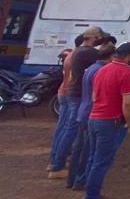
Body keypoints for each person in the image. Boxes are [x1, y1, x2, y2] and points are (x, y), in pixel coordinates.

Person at [79, 42, 130, 199]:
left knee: (94, 159)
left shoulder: (101, 70)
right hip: (111, 121)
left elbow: (94, 96)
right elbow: (128, 102)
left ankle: (93, 193)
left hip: (95, 118)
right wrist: (128, 121)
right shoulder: (127, 73)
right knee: (101, 162)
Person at [50, 26, 107, 179]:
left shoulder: (76, 52)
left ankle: (55, 160)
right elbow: (106, 58)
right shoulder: (89, 53)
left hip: (69, 92)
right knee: (71, 130)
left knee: (64, 128)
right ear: (94, 37)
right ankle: (57, 166)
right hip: (76, 93)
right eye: (99, 38)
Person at [68, 41, 116, 190]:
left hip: (84, 110)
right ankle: (81, 180)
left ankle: (72, 179)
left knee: (79, 147)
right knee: (89, 150)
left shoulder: (91, 68)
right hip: (92, 113)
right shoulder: (100, 71)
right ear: (111, 56)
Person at [47, 35, 82, 172]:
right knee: (69, 128)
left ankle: (55, 157)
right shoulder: (77, 56)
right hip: (70, 93)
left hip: (64, 92)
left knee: (62, 127)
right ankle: (58, 162)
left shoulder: (70, 55)